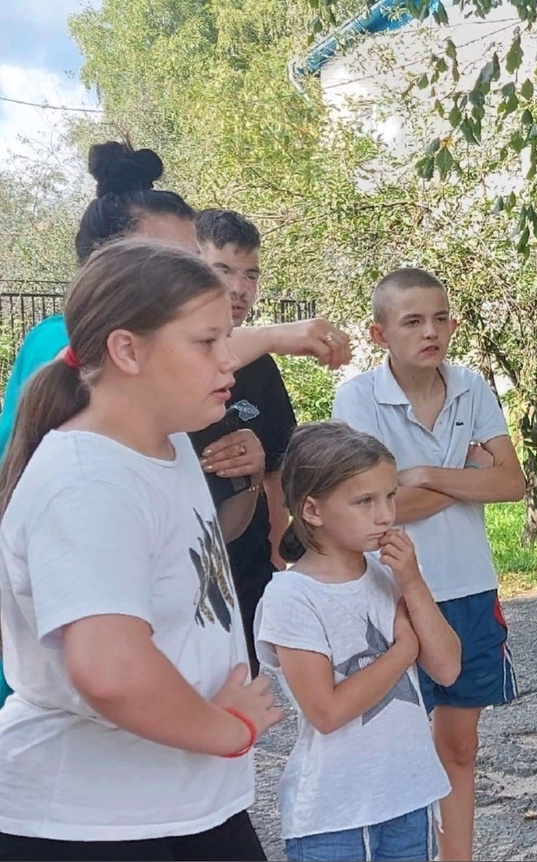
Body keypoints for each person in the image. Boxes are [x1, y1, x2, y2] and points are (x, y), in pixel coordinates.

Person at [0, 140, 351, 705]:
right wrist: (220, 726)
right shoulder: (65, 362)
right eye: (170, 261)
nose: (191, 281)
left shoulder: (163, 426)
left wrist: (246, 468)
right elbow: (110, 671)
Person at [0, 238, 284, 860]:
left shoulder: (167, 440)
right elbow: (112, 672)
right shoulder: (88, 484)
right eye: (206, 343)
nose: (227, 365)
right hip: (94, 824)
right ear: (127, 349)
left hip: (180, 808)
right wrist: (228, 730)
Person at [331, 268, 524, 861]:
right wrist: (469, 477)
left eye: (441, 318)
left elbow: (513, 483)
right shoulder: (357, 397)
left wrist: (425, 475)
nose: (430, 331)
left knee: (459, 747)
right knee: (395, 746)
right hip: (390, 591)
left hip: (466, 587)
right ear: (380, 332)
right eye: (413, 320)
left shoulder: (471, 388)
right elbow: (369, 507)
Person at [254, 421, 461, 861]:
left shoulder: (388, 573)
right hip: (335, 815)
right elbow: (326, 711)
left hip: (410, 795)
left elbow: (447, 668)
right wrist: (404, 650)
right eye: (364, 501)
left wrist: (413, 581)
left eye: (389, 496)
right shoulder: (292, 595)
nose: (385, 515)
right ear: (312, 510)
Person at [189, 209, 298, 672]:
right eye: (222, 271)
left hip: (249, 578)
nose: (239, 288)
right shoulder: (164, 366)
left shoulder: (260, 366)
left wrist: (276, 564)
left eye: (250, 274)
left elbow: (276, 472)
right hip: (185, 582)